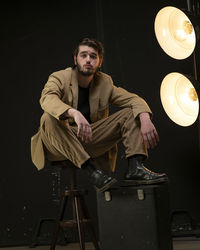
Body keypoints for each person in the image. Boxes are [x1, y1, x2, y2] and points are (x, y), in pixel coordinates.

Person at [31, 37, 168, 193]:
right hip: (57, 142)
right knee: (47, 118)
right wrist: (73, 113)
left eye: (93, 56)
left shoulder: (105, 83)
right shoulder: (60, 77)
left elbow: (133, 100)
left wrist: (145, 118)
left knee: (131, 112)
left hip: (88, 138)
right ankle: (92, 171)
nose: (88, 59)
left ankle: (135, 169)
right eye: (83, 55)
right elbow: (47, 99)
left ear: (100, 61)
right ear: (75, 59)